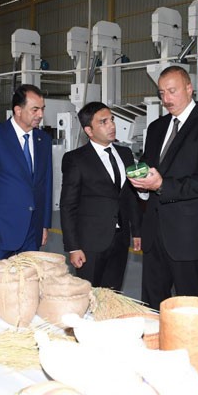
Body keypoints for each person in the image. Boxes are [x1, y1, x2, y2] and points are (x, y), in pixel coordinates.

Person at [128, 65, 198, 310]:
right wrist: (141, 185)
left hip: (187, 235)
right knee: (152, 305)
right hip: (154, 233)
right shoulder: (156, 128)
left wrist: (162, 185)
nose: (166, 99)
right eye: (162, 93)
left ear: (189, 88)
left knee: (189, 309)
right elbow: (148, 167)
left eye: (172, 91)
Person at [60, 102, 142, 290]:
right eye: (103, 122)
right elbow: (68, 206)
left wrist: (137, 230)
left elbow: (130, 196)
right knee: (89, 295)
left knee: (113, 294)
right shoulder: (76, 159)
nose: (111, 125)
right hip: (90, 242)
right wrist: (73, 247)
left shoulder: (125, 154)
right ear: (88, 130)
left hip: (120, 239)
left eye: (111, 120)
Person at [0, 84, 52, 259]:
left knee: (29, 275)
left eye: (42, 109)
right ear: (18, 110)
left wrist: (44, 224)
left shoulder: (44, 140)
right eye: (35, 110)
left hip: (33, 230)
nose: (40, 114)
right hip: (0, 232)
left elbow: (46, 185)